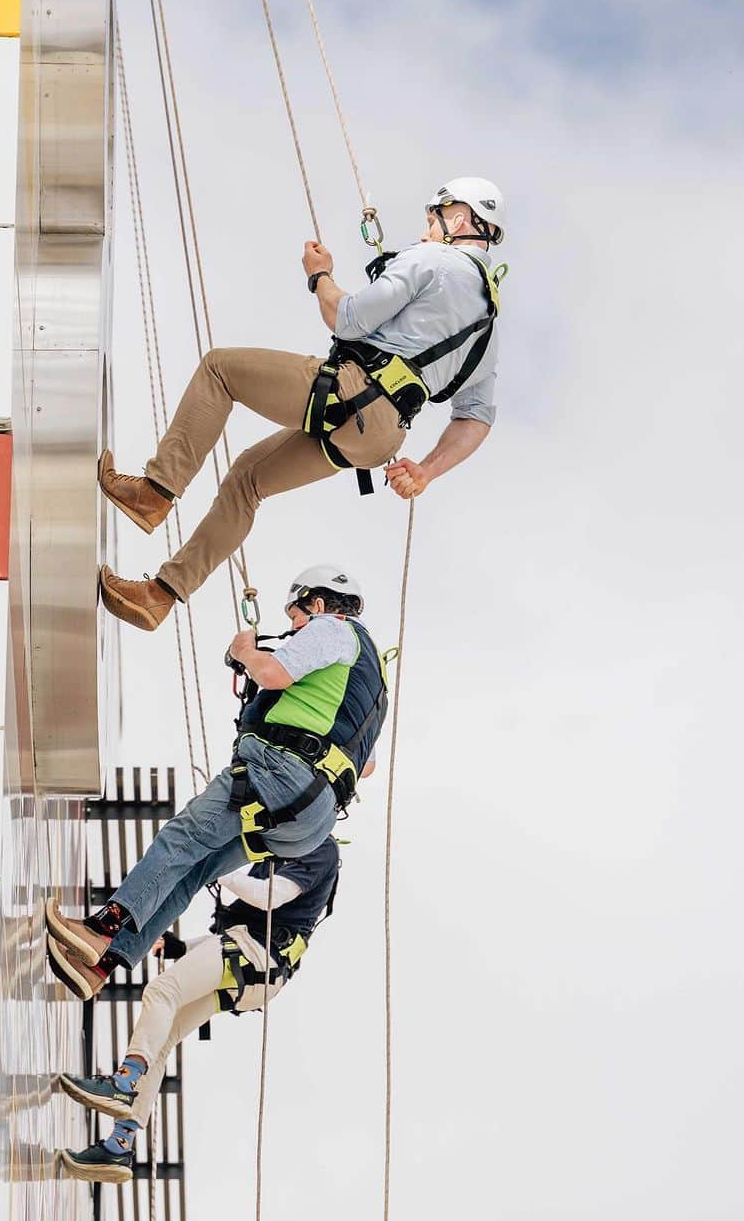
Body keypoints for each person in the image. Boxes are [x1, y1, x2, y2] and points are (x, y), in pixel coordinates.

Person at [98, 177, 506, 630]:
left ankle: (155, 492)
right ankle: (159, 596)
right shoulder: (487, 321)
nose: (427, 228)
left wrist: (320, 275)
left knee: (219, 370)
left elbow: (346, 319)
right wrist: (426, 471)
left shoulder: (434, 259)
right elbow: (476, 418)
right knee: (246, 481)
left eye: (433, 219)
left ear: (460, 218)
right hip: (380, 438)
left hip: (354, 391)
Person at [44, 566, 384, 996]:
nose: (294, 628)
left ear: (317, 604)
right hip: (310, 819)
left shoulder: (332, 629)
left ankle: (101, 928)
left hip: (277, 775)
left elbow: (273, 674)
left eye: (295, 616)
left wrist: (246, 652)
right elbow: (366, 765)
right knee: (193, 870)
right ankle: (103, 965)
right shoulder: (372, 680)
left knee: (183, 839)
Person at [56, 837, 341, 1183]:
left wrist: (218, 866)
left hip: (252, 955)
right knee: (161, 1042)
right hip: (255, 968)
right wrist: (182, 947)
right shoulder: (280, 848)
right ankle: (120, 1145)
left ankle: (125, 1081)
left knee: (161, 993)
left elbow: (270, 898)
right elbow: (251, 926)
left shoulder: (320, 847)